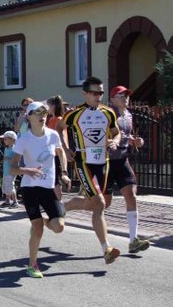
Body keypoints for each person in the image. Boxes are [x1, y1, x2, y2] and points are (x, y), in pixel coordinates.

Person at [57, 76, 121, 264]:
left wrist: (114, 142)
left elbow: (116, 133)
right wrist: (65, 147)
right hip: (83, 162)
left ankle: (62, 207)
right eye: (94, 92)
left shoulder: (108, 113)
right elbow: (60, 128)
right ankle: (106, 249)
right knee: (99, 203)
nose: (98, 96)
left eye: (101, 92)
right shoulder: (74, 114)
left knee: (95, 203)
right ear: (85, 93)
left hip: (104, 162)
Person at [10, 101, 71, 278]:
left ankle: (40, 220)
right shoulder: (24, 140)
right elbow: (12, 168)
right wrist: (26, 170)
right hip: (29, 187)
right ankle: (32, 265)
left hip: (48, 187)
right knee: (38, 230)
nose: (42, 116)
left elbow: (60, 153)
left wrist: (64, 173)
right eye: (37, 113)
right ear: (29, 117)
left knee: (58, 227)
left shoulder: (53, 136)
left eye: (44, 112)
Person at [106, 85, 150, 253]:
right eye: (121, 95)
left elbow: (127, 136)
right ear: (112, 99)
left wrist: (136, 142)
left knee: (131, 195)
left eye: (127, 95)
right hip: (107, 161)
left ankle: (133, 240)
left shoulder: (129, 115)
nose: (125, 98)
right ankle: (68, 208)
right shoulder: (108, 115)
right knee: (104, 203)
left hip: (122, 160)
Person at [46, 95, 67, 201]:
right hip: (51, 152)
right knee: (52, 178)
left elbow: (60, 138)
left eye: (48, 106)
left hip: (57, 152)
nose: (47, 108)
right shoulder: (51, 119)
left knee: (55, 179)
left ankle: (58, 201)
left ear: (53, 106)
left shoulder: (58, 120)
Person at [0, 130, 19, 208]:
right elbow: (5, 159)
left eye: (6, 139)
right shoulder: (6, 149)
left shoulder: (15, 149)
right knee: (6, 185)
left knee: (10, 185)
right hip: (6, 170)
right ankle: (7, 200)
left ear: (12, 139)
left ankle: (15, 201)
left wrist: (8, 159)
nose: (4, 141)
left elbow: (16, 160)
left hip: (11, 171)